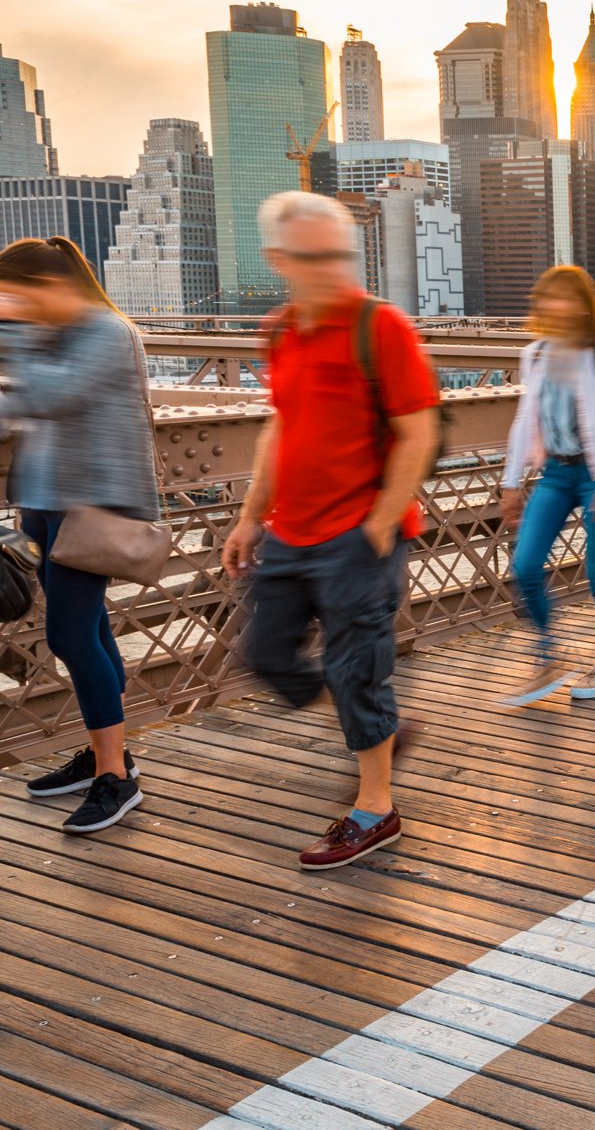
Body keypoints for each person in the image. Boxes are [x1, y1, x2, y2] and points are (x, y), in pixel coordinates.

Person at [222, 193, 440, 870]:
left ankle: (376, 809)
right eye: (315, 258)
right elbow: (281, 424)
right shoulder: (282, 328)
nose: (333, 270)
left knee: (358, 670)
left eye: (341, 256)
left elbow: (417, 429)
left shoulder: (383, 327)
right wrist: (251, 512)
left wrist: (379, 521)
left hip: (358, 535)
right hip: (292, 531)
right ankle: (378, 730)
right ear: (279, 260)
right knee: (264, 653)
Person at [0, 237, 156, 835]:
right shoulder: (57, 334)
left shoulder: (106, 333)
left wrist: (13, 335)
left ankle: (117, 779)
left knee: (69, 636)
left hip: (90, 506)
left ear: (48, 285)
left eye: (15, 292)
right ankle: (103, 755)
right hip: (44, 500)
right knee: (91, 631)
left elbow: (48, 396)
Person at [498, 265, 595, 707]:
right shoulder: (535, 353)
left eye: (566, 298)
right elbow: (525, 419)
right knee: (525, 566)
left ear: (581, 304)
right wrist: (509, 481)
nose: (557, 306)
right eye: (549, 298)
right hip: (555, 474)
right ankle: (548, 656)